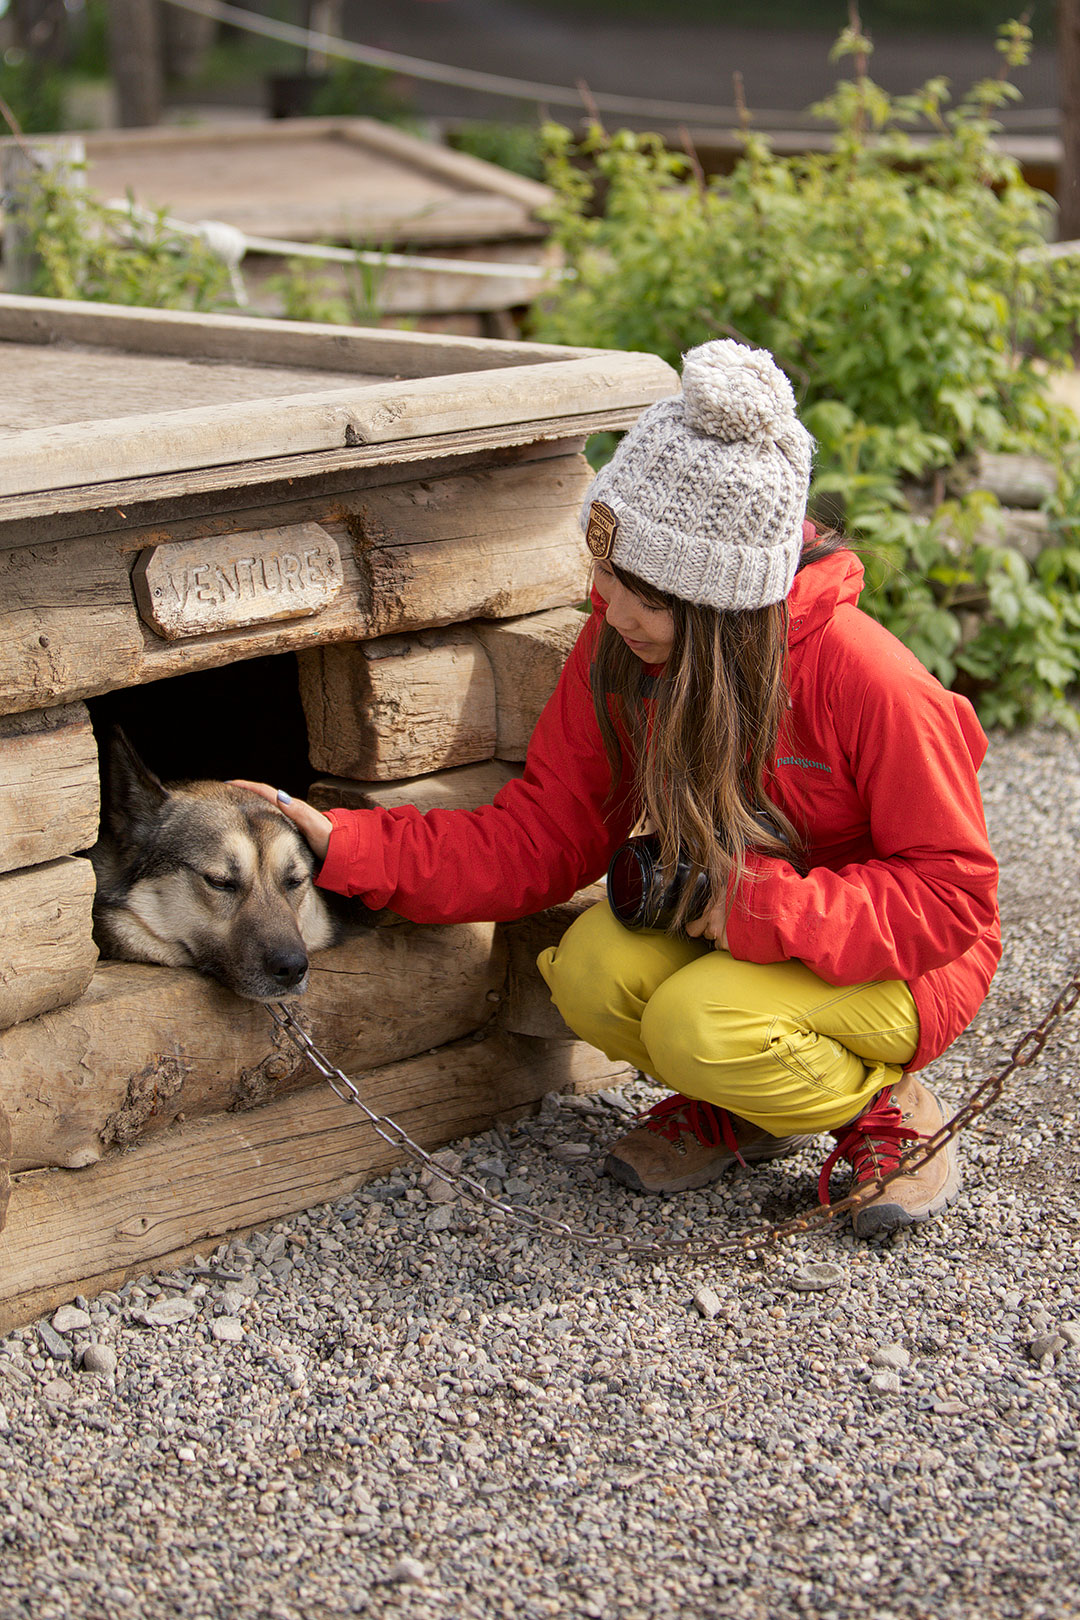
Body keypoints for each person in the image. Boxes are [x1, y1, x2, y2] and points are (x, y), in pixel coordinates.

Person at [235, 340, 1001, 1239]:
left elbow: (953, 899)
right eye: (603, 570)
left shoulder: (872, 683)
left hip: (905, 960)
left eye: (644, 592)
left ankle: (889, 1108)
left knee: (700, 1025)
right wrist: (352, 845)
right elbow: (545, 833)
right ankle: (745, 1108)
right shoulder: (625, 647)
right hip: (751, 928)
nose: (607, 604)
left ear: (724, 603)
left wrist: (761, 907)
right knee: (592, 974)